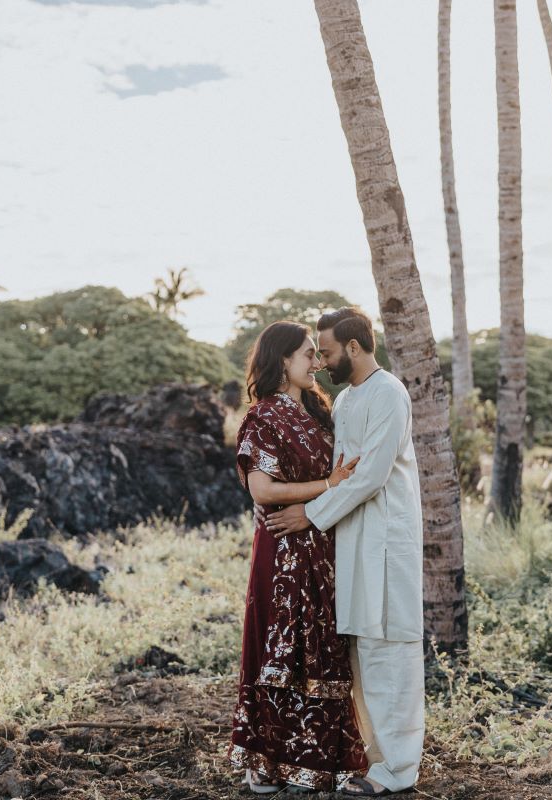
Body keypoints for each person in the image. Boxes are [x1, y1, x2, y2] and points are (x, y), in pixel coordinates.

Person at [266, 307, 425, 797]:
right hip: (351, 542)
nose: (322, 361)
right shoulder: (348, 398)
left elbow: (372, 475)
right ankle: (375, 761)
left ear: (354, 347)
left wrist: (309, 514)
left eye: (328, 351)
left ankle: (397, 772)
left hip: (386, 542)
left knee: (390, 655)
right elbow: (340, 472)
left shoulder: (389, 394)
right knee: (360, 654)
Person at [229, 320, 368, 794]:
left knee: (323, 652)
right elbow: (263, 488)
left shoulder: (314, 413)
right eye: (308, 354)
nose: (317, 362)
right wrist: (328, 486)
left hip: (323, 549)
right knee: (280, 652)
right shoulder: (263, 417)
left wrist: (320, 503)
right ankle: (265, 761)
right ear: (282, 361)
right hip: (282, 553)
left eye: (316, 353)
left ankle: (317, 760)